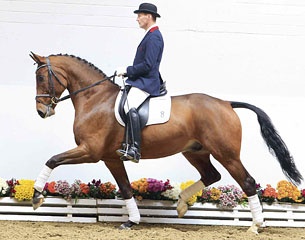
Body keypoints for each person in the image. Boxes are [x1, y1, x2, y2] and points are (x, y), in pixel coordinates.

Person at [115, 3, 164, 163]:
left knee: (129, 106)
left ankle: (135, 148)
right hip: (141, 80)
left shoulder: (155, 36)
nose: (137, 19)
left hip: (147, 82)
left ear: (148, 16)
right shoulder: (149, 35)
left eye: (139, 15)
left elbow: (148, 65)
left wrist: (128, 70)